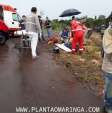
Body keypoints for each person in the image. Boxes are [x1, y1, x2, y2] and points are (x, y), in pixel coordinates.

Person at [102, 23, 112, 113]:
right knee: (110, 89)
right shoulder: (109, 31)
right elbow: (108, 49)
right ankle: (108, 106)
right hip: (110, 68)